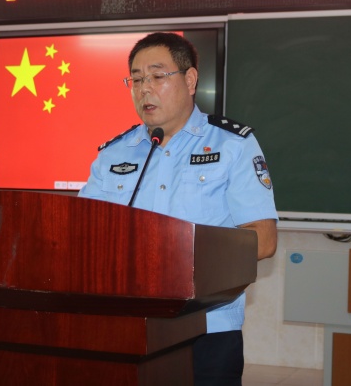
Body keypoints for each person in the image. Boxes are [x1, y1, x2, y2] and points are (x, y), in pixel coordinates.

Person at [78, 32, 278, 385]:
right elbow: (79, 232)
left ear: (190, 80)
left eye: (157, 76)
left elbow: (262, 240)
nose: (145, 89)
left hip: (207, 329)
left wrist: (175, 256)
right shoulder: (114, 153)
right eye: (136, 79)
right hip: (128, 325)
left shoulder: (233, 145)